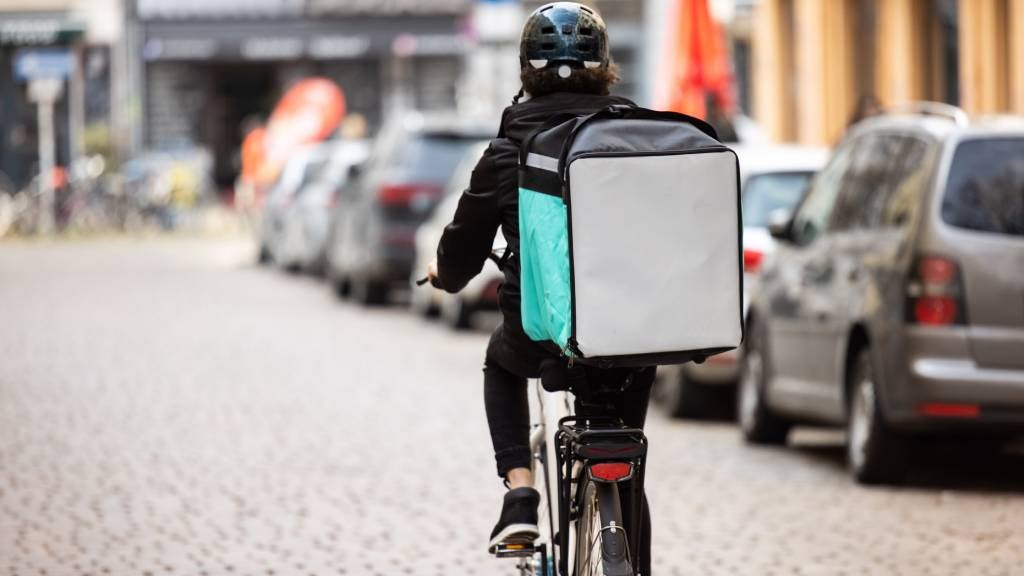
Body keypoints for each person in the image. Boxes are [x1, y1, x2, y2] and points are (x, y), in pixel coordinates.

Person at [425, 2, 655, 572]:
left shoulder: (506, 151)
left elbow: (459, 253)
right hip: (628, 335)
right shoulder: (637, 141)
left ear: (525, 71)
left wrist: (445, 277)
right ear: (604, 68)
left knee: (499, 365)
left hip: (538, 336)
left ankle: (520, 495)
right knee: (628, 467)